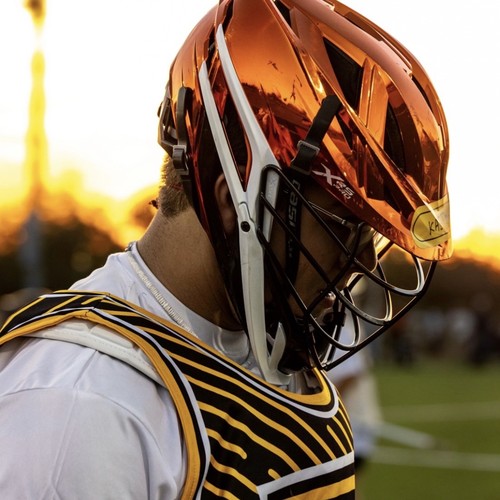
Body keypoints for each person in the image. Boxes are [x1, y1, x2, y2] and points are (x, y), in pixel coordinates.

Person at [0, 0, 452, 498]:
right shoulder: (84, 410)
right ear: (235, 198)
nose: (364, 260)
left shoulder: (267, 345)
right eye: (345, 225)